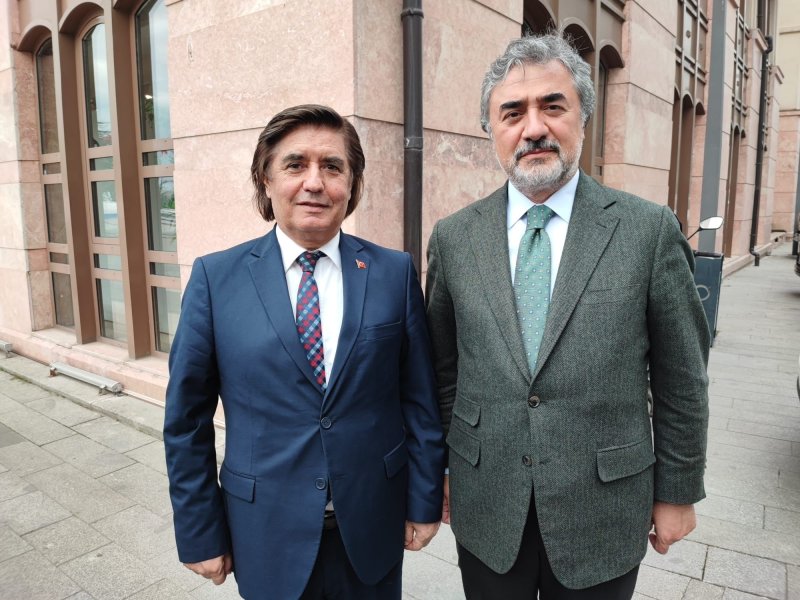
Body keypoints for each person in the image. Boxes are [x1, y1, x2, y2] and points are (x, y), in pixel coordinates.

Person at [425, 32, 710, 599]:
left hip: (603, 508)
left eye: (552, 107)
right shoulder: (454, 238)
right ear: (490, 130)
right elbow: (443, 369)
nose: (533, 128)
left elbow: (682, 376)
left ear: (584, 117)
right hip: (487, 502)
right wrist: (445, 468)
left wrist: (677, 491)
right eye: (512, 113)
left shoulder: (648, 231)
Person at [164, 104, 445, 600]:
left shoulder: (393, 273)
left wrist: (424, 500)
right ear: (266, 179)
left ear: (352, 185)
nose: (314, 183)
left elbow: (419, 401)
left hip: (372, 527)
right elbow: (186, 421)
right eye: (295, 165)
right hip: (264, 533)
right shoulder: (215, 279)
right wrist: (199, 531)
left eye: (332, 167)